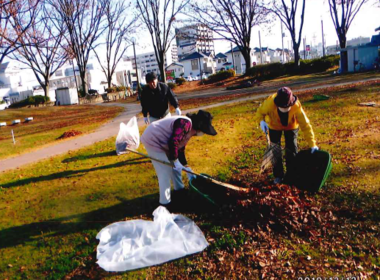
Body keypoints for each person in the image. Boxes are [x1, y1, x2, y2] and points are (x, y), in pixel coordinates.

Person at [141, 110, 217, 208]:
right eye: (204, 130)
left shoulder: (190, 129)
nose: (203, 133)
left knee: (176, 167)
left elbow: (180, 148)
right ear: (200, 126)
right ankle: (165, 203)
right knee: (165, 171)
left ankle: (179, 189)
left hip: (164, 141)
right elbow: (173, 142)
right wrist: (175, 160)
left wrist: (185, 166)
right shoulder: (185, 124)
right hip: (153, 138)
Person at [255, 87, 319, 184]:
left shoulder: (297, 107)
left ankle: (292, 174)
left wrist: (312, 144)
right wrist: (261, 121)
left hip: (292, 127)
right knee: (275, 151)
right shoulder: (269, 104)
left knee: (292, 149)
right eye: (282, 107)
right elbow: (260, 112)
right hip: (274, 126)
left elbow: (306, 125)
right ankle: (278, 176)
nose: (285, 109)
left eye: (287, 107)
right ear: (277, 104)